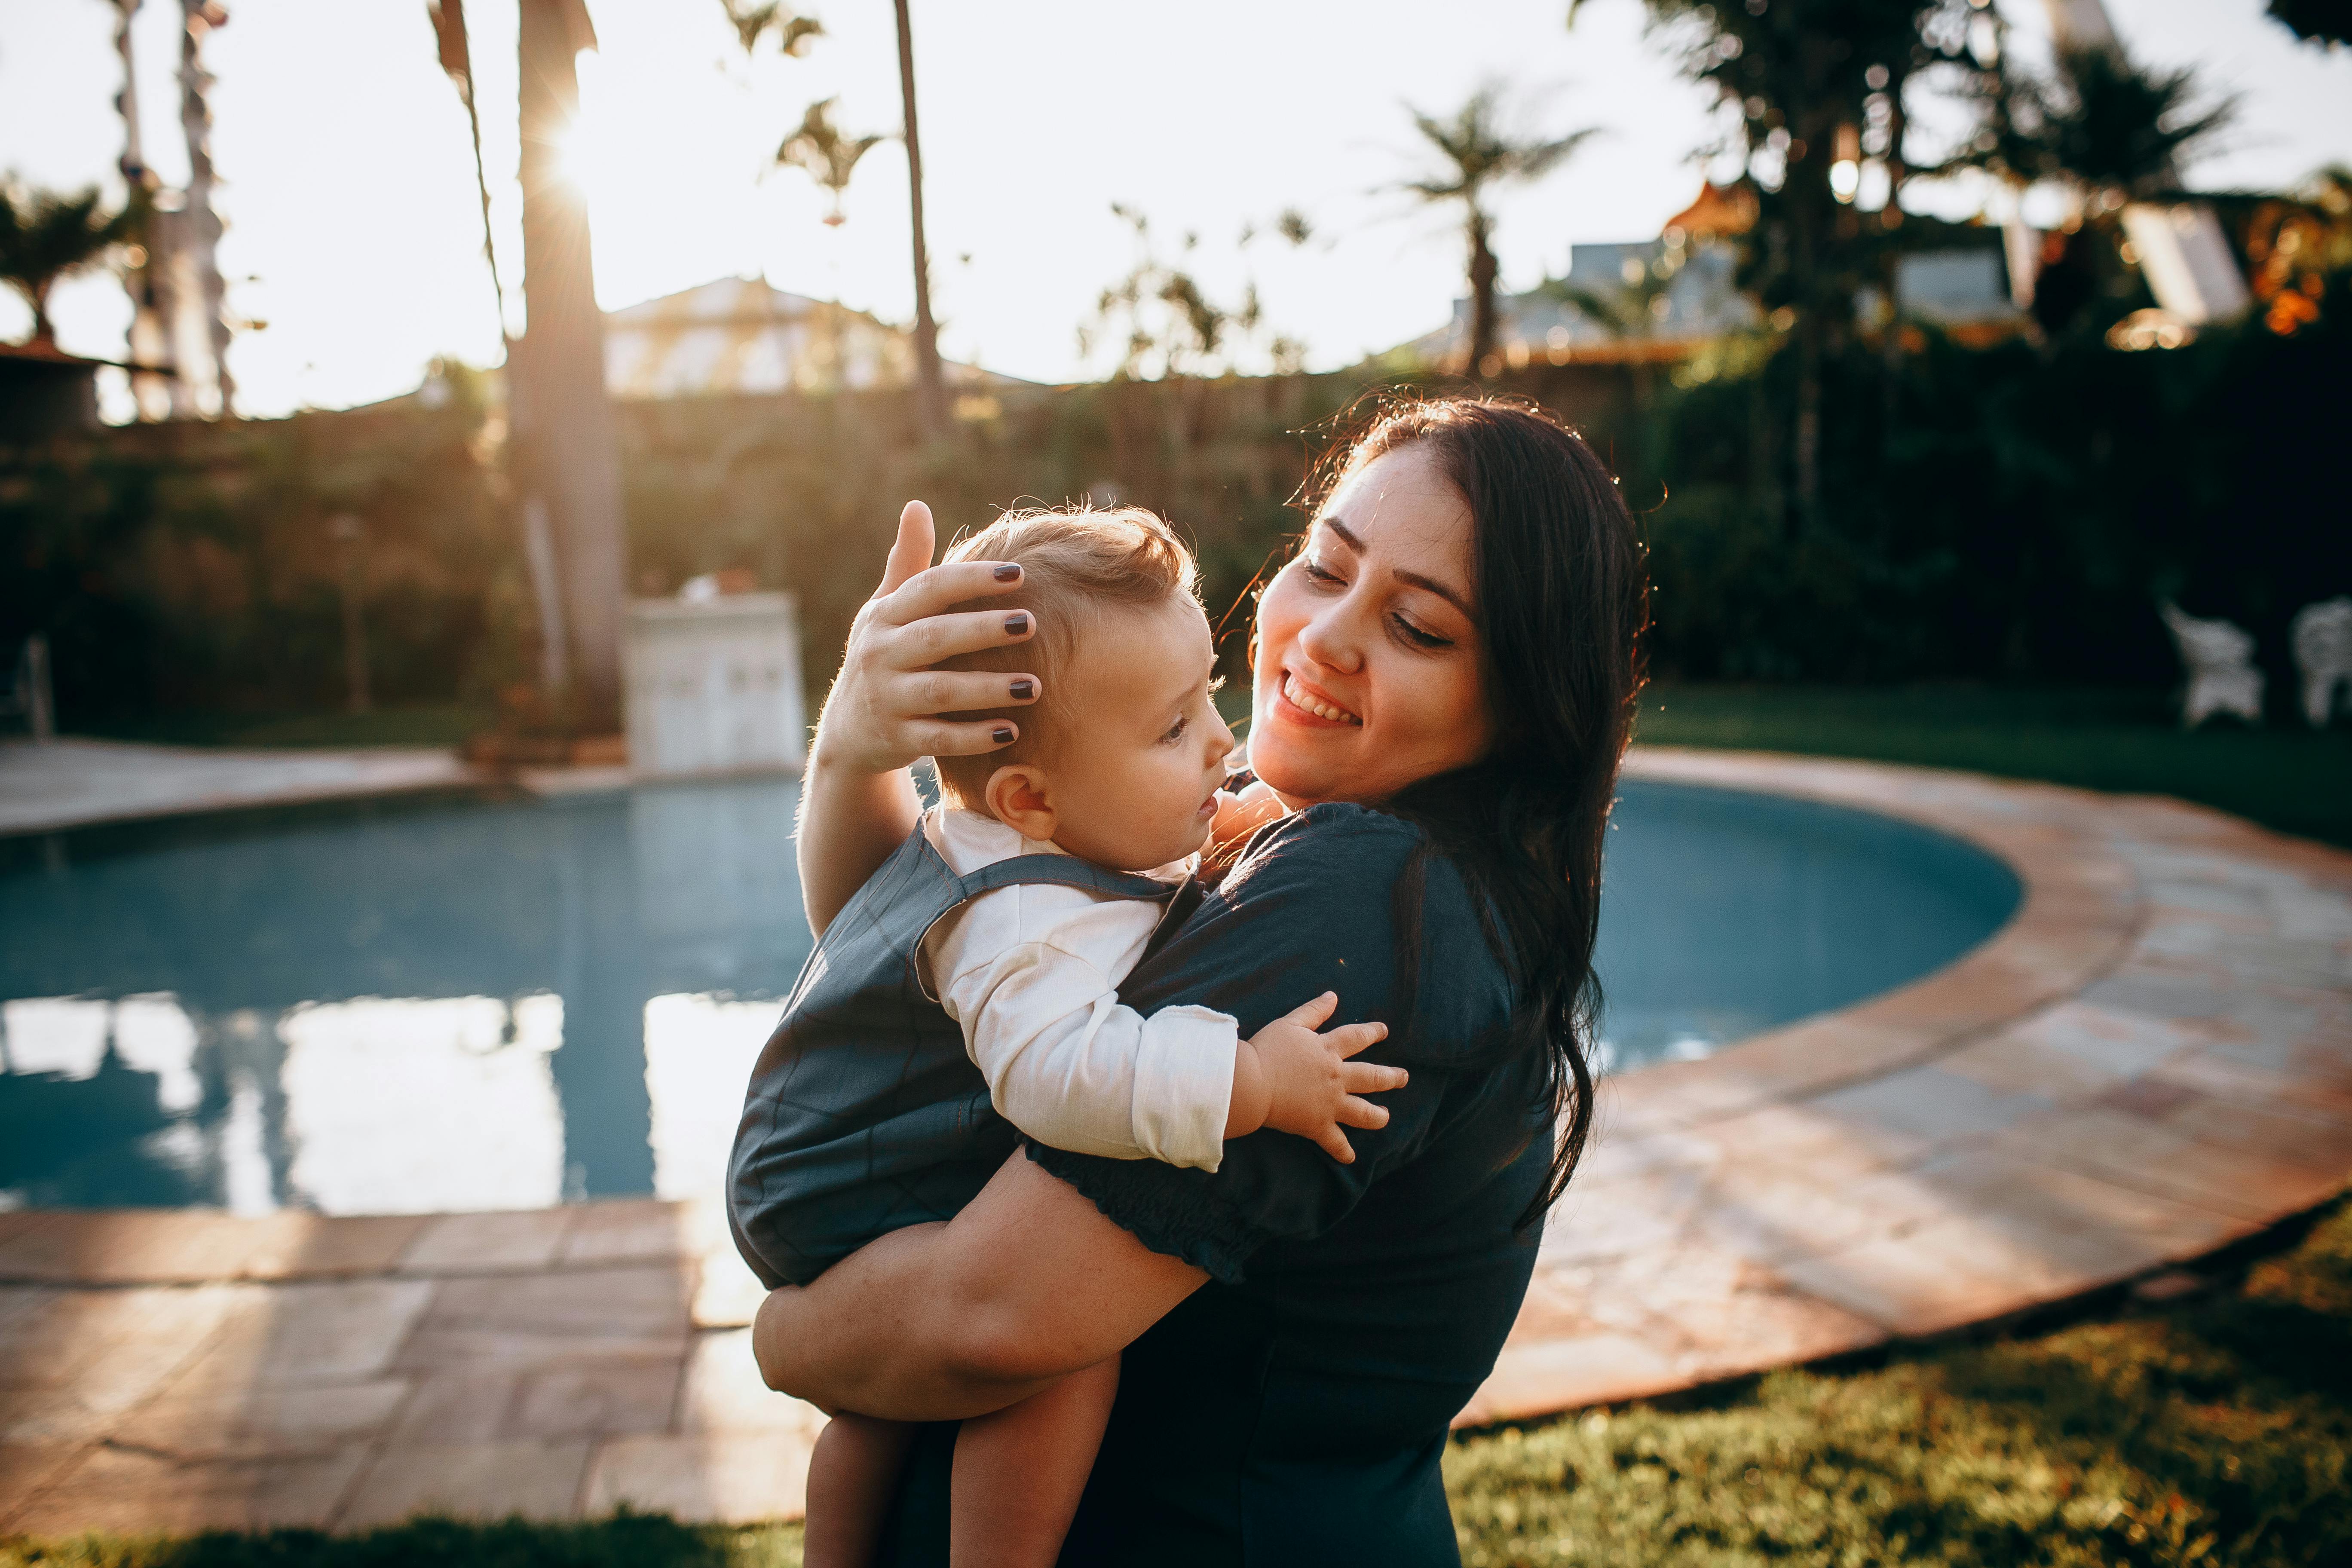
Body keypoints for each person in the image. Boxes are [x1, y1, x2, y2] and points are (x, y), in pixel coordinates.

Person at [756, 395, 1648, 1565]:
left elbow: (993, 1319)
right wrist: (860, 743)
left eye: (1420, 629)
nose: (1326, 637)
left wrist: (789, 1337)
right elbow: (922, 939)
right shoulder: (1303, 844)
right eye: (1325, 568)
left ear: (1525, 704)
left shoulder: (1366, 896)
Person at [729, 506, 1406, 1568]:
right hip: (840, 1180)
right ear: (1029, 797)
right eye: (1176, 729)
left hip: (839, 1154)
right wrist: (1251, 1083)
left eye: (1208, 701)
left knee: (872, 1411)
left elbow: (1137, 874)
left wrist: (1225, 817)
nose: (1222, 742)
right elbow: (1063, 1076)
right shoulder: (1019, 921)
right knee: (1060, 1354)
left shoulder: (1061, 829)